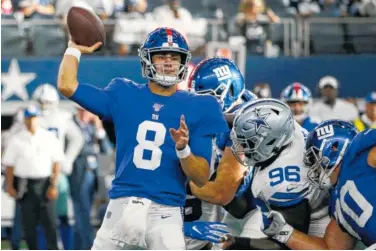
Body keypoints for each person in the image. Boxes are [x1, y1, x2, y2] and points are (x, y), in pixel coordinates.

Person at [57, 27, 228, 250]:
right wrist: (74, 49)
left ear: (183, 62)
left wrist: (183, 149)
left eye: (174, 57)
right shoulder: (123, 92)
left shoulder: (200, 106)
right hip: (122, 206)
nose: (168, 63)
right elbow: (67, 85)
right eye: (161, 56)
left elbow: (201, 177)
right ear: (147, 59)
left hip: (166, 213)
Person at [221, 99, 330, 249]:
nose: (241, 147)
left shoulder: (284, 184)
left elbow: (284, 244)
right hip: (296, 205)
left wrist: (237, 242)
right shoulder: (286, 127)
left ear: (269, 142)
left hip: (314, 226)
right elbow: (255, 120)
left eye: (249, 142)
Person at [260, 120, 376, 249]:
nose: (314, 167)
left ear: (333, 147)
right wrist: (283, 231)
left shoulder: (360, 151)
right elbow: (330, 248)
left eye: (314, 158)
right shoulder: (337, 206)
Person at [184, 57, 257, 249]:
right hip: (240, 208)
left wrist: (181, 181)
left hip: (271, 209)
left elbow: (223, 193)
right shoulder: (232, 113)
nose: (201, 103)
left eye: (207, 96)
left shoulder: (250, 122)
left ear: (230, 91)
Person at [2, 105, 64, 250]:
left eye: (34, 117)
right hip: (25, 185)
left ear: (38, 118)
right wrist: (10, 186)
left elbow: (57, 163)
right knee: (28, 226)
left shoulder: (48, 137)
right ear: (24, 119)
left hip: (45, 184)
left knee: (50, 224)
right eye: (28, 117)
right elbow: (9, 165)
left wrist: (54, 185)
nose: (31, 121)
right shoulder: (17, 139)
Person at [32, 83, 84, 249]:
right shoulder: (29, 117)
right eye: (42, 102)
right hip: (35, 171)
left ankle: (65, 247)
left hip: (57, 172)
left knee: (62, 214)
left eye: (47, 102)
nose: (45, 106)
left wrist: (67, 160)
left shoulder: (62, 117)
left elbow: (77, 138)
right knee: (38, 215)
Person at [70, 107, 113, 249]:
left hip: (95, 173)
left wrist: (99, 130)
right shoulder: (73, 126)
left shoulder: (93, 128)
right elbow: (80, 149)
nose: (84, 114)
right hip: (80, 172)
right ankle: (86, 245)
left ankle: (82, 244)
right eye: (81, 111)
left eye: (86, 111)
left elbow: (106, 149)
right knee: (81, 211)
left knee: (92, 211)